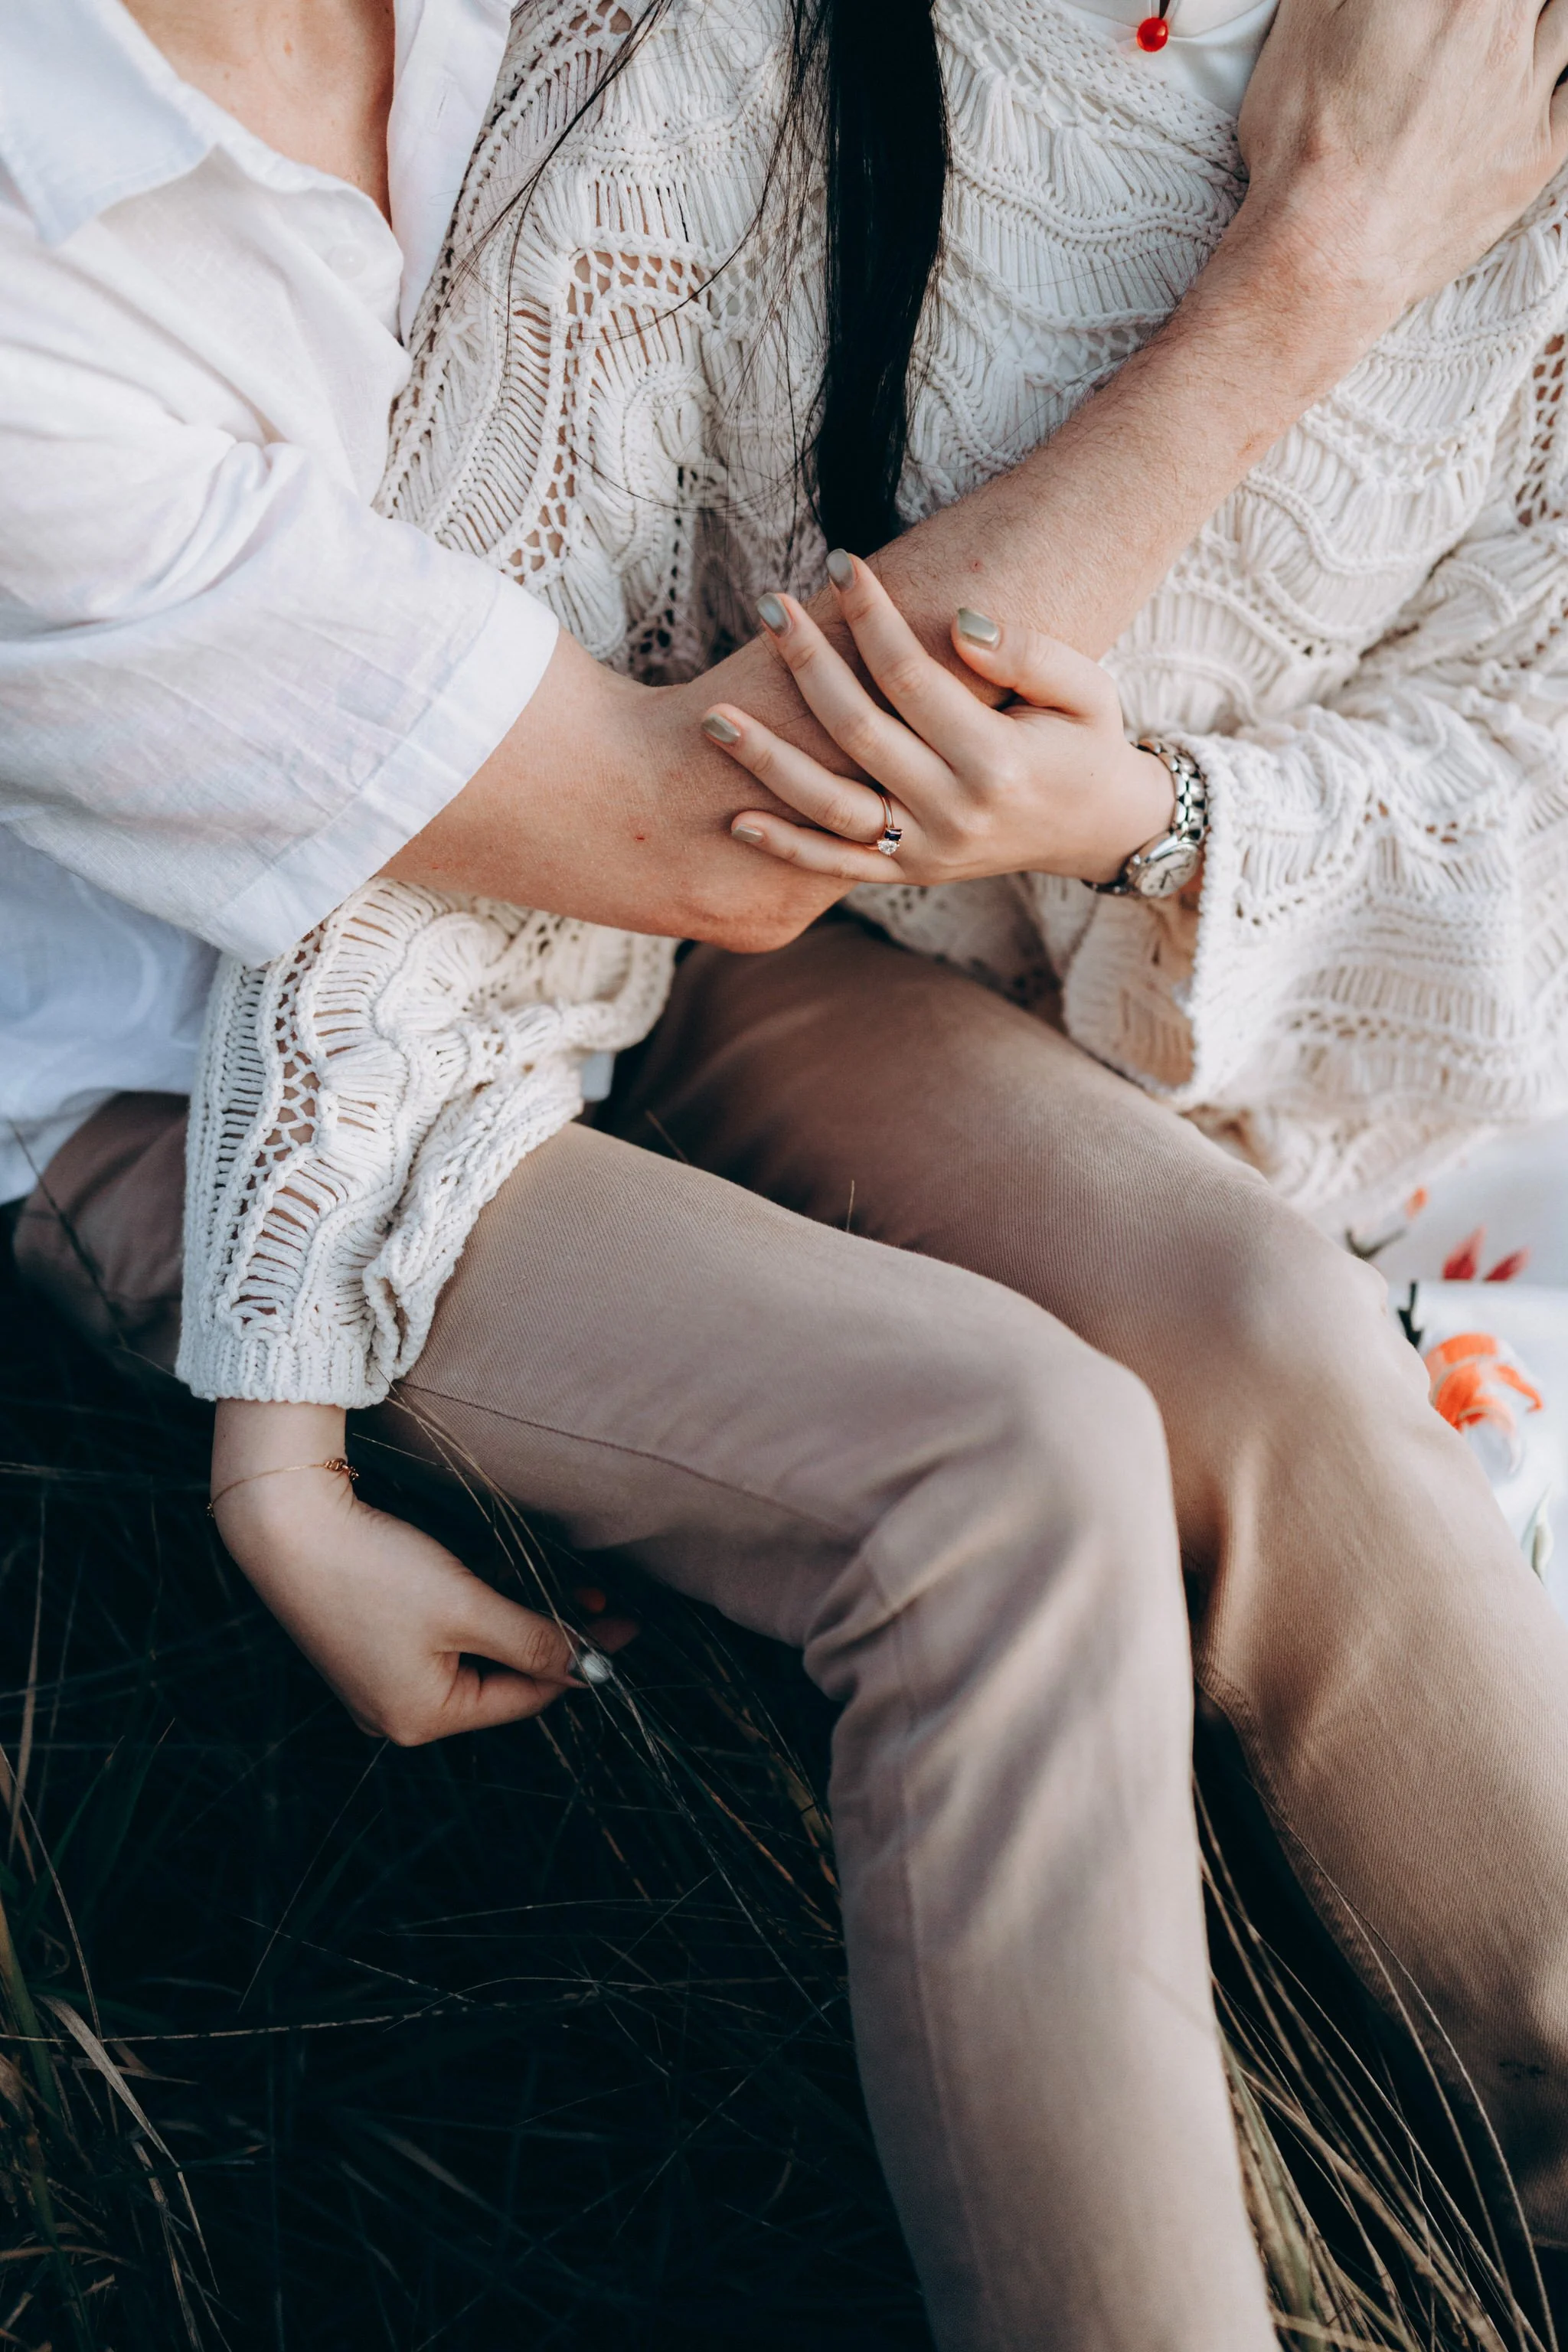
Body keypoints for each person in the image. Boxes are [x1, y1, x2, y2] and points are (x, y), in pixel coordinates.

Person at [8, 0, 1568, 2345]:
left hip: (666, 919)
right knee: (1008, 1466)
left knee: (1254, 1322)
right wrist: (277, 1451)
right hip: (201, 1068)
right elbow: (681, 816)